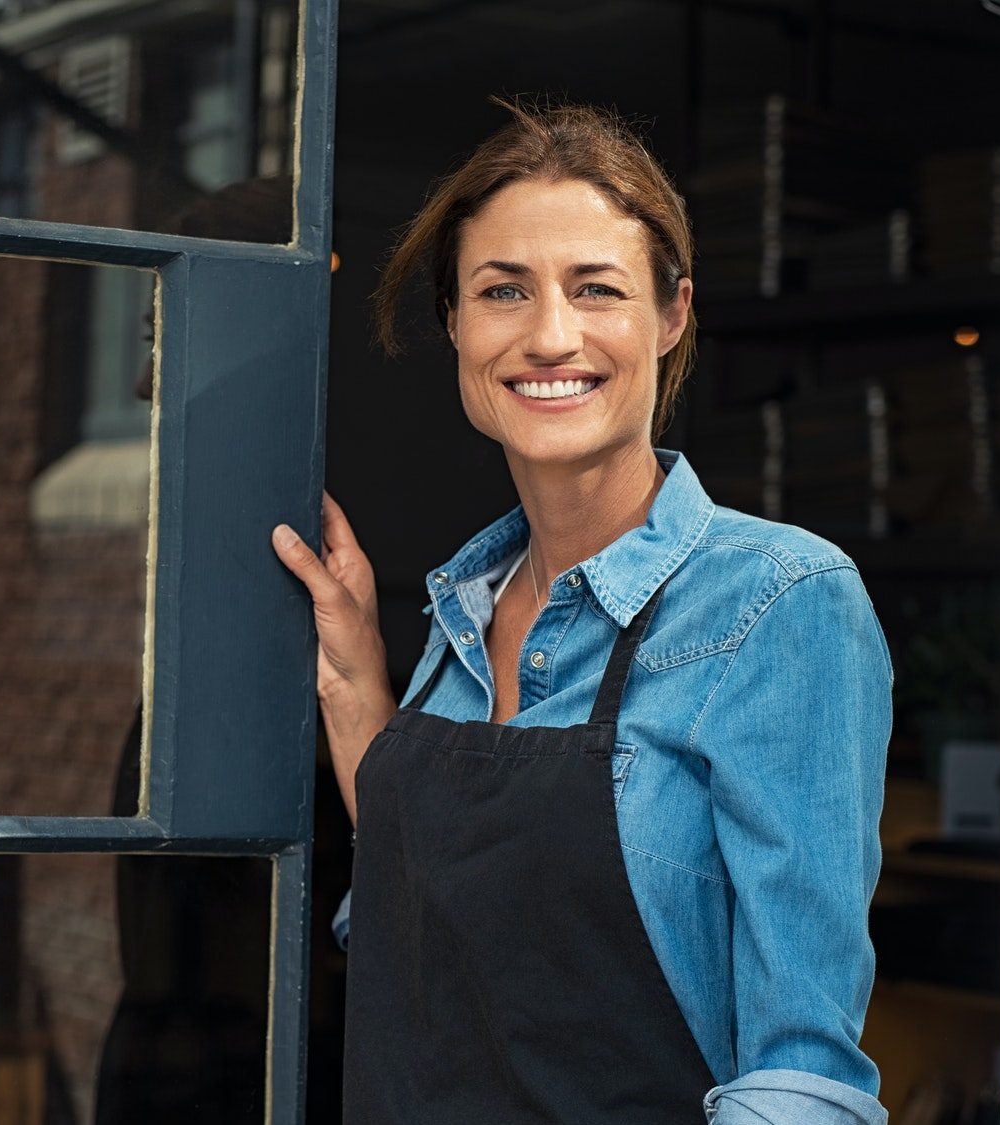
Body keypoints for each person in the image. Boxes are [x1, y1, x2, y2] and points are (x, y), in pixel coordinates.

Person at [271, 101, 893, 1124]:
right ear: (455, 323)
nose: (549, 335)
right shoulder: (462, 609)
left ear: (671, 314)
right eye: (502, 290)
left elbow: (803, 1075)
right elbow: (436, 922)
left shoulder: (776, 603)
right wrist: (353, 681)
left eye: (595, 288)